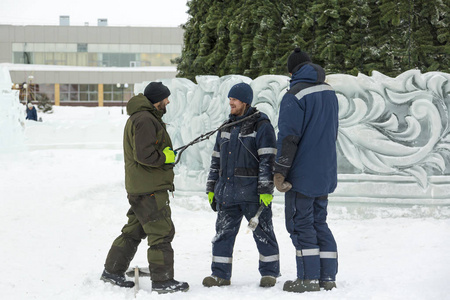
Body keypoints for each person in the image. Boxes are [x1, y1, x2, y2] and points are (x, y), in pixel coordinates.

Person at [100, 82, 189, 294]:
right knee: (161, 232)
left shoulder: (142, 117)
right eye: (165, 98)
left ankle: (112, 271)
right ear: (157, 100)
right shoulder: (145, 120)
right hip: (150, 188)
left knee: (134, 230)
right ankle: (162, 281)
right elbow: (144, 155)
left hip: (141, 186)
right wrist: (166, 156)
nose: (168, 101)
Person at [274, 48, 339, 293]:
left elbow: (289, 137)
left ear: (291, 71)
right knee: (319, 221)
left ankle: (308, 278)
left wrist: (280, 171)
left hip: (301, 173)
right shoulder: (329, 91)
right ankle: (327, 277)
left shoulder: (295, 95)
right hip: (325, 171)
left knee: (300, 224)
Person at [203, 82, 280, 288]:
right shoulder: (226, 127)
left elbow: (268, 160)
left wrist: (265, 189)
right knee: (222, 235)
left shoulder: (261, 126)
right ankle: (220, 275)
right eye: (229, 99)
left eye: (234, 100)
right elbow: (216, 161)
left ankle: (270, 273)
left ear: (245, 101)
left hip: (253, 194)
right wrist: (211, 188)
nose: (231, 103)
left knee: (263, 233)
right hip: (227, 193)